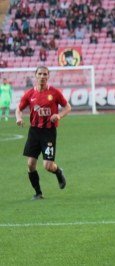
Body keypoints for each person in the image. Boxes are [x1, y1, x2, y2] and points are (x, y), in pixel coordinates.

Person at [16, 66, 72, 200]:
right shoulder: (29, 94)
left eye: (45, 74)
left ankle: (58, 172)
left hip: (48, 132)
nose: (42, 76)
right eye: (40, 74)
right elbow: (19, 108)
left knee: (47, 166)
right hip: (34, 132)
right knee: (30, 164)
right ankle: (38, 193)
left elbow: (68, 107)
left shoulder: (54, 93)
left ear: (48, 76)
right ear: (35, 75)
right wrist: (18, 118)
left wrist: (59, 115)